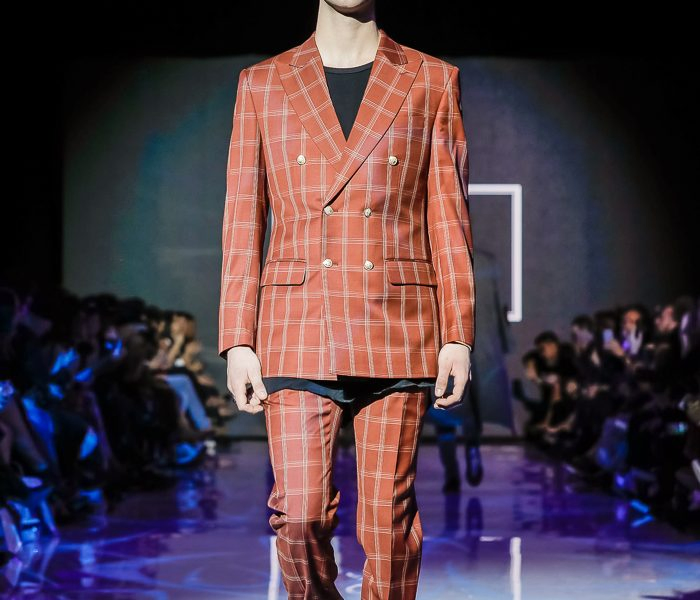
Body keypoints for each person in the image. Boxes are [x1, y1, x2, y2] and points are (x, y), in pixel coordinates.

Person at [218, 2, 476, 598]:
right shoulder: (263, 83)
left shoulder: (431, 79)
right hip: (297, 322)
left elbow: (448, 216)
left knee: (388, 525)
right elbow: (242, 216)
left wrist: (457, 333)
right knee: (299, 515)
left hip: (398, 321)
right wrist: (237, 338)